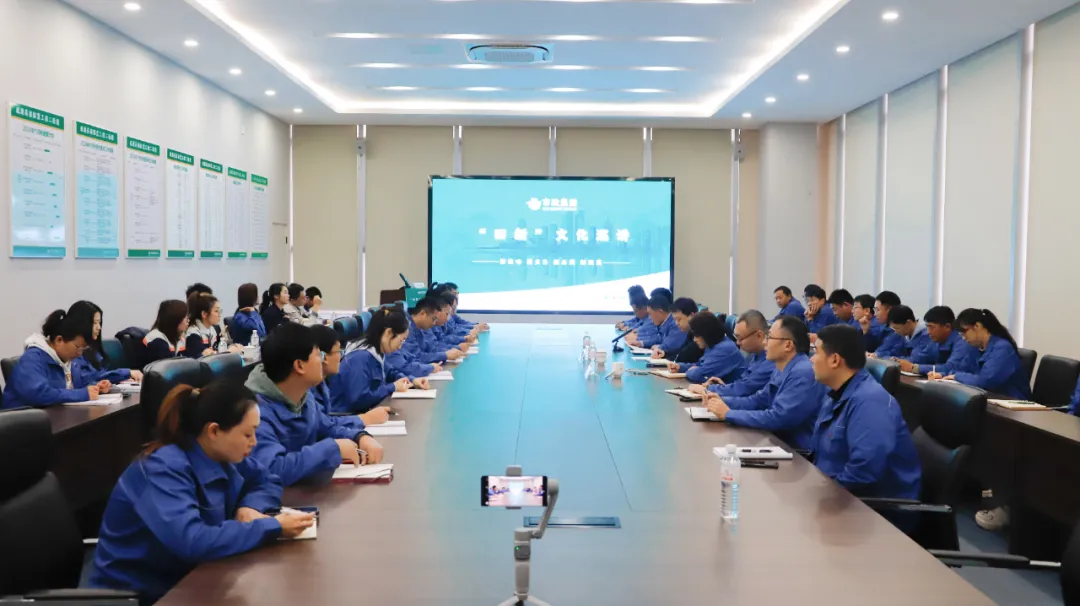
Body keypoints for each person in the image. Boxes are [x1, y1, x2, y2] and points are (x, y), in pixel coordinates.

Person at [89, 381, 313, 601]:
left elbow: (267, 480)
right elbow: (193, 541)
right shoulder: (162, 469)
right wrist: (272, 526)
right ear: (214, 431)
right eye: (247, 434)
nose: (254, 442)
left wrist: (249, 507)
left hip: (187, 580)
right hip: (141, 596)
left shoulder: (222, 454)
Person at [247, 323, 385, 486]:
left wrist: (360, 437)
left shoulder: (304, 396)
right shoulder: (255, 413)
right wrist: (331, 449)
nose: (322, 360)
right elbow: (273, 469)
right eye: (318, 355)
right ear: (299, 366)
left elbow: (327, 427)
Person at [809, 324, 921, 500]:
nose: (812, 359)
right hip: (836, 490)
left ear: (835, 360)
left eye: (816, 352)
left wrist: (819, 496)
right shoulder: (835, 393)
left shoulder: (870, 401)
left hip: (872, 506)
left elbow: (863, 472)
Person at [701, 316, 826, 449]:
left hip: (794, 450)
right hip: (775, 441)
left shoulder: (802, 373)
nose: (765, 343)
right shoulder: (782, 368)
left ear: (788, 345)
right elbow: (758, 401)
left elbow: (779, 418)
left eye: (769, 337)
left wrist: (728, 414)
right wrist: (720, 400)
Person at [329, 308, 430, 414]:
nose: (400, 347)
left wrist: (412, 381)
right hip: (349, 417)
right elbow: (359, 400)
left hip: (367, 412)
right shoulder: (360, 358)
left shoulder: (376, 352)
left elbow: (391, 373)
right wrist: (393, 387)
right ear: (389, 332)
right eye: (401, 340)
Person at [2, 309, 103, 409]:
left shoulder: (66, 359)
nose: (79, 353)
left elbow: (74, 386)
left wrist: (95, 387)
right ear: (59, 340)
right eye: (78, 348)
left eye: (83, 349)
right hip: (22, 417)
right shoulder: (33, 358)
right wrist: (82, 394)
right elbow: (38, 394)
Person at [928, 308, 1031, 400]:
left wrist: (956, 376)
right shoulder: (975, 348)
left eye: (964, 333)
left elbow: (986, 381)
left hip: (1011, 401)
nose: (963, 338)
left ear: (977, 326)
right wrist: (942, 375)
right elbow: (961, 369)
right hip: (989, 398)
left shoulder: (1002, 348)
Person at [310, 325, 389, 428]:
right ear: (323, 357)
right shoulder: (307, 392)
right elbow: (323, 426)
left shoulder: (321, 383)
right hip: (346, 417)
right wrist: (365, 419)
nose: (341, 357)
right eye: (339, 352)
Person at [691, 310, 776, 398]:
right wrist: (724, 386)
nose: (737, 343)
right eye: (736, 337)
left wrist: (708, 389)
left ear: (759, 335)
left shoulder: (770, 361)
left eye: (740, 338)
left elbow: (744, 390)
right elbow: (742, 384)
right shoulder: (753, 356)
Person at [69, 300, 143, 386]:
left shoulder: (93, 350)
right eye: (95, 323)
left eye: (99, 323)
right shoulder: (73, 352)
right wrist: (124, 373)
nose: (99, 327)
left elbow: (100, 376)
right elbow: (86, 380)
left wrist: (116, 380)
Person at [668, 312, 745, 384]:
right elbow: (700, 365)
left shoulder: (724, 349)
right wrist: (680, 367)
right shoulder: (713, 345)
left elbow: (699, 375)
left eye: (696, 335)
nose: (694, 339)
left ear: (706, 333)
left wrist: (690, 371)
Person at [903, 306, 979, 376]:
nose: (928, 332)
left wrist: (915, 368)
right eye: (927, 327)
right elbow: (921, 357)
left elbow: (950, 367)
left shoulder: (963, 340)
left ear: (947, 327)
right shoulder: (937, 339)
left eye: (932, 327)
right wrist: (900, 362)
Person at [183, 293, 241, 359]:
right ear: (204, 314)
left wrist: (233, 347)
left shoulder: (211, 329)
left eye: (219, 311)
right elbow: (201, 359)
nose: (219, 314)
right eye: (216, 311)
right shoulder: (193, 334)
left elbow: (216, 349)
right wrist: (228, 352)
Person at [142, 300, 189, 365]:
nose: (188, 320)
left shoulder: (179, 338)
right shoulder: (156, 340)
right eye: (186, 318)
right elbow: (171, 366)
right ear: (175, 320)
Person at [653, 297, 699, 362]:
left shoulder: (701, 336)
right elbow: (680, 353)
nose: (677, 323)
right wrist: (664, 354)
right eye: (675, 320)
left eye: (679, 319)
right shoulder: (690, 333)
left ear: (692, 315)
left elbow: (686, 358)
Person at [870, 291, 905, 357]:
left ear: (889, 310)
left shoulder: (901, 331)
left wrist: (876, 355)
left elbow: (887, 353)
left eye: (877, 310)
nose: (875, 314)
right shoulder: (886, 327)